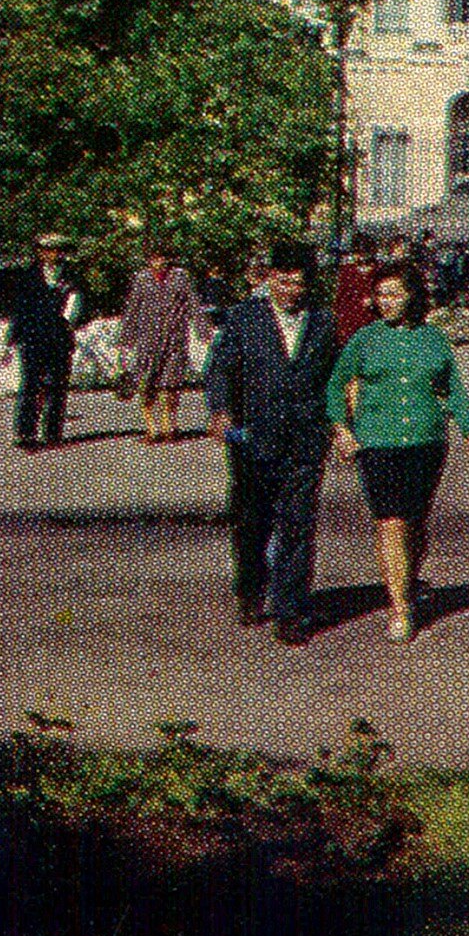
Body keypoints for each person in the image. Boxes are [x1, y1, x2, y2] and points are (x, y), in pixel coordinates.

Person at [327, 269, 469, 642]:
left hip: (426, 441)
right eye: (380, 295)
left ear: (412, 296)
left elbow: (455, 389)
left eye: (394, 294)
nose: (386, 302)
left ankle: (409, 579)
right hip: (378, 444)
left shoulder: (433, 339)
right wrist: (342, 429)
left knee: (416, 522)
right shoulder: (364, 339)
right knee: (390, 521)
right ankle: (400, 607)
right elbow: (335, 387)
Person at [205, 241, 342, 644]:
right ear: (270, 278)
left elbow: (334, 378)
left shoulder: (323, 322)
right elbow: (219, 369)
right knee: (252, 522)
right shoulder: (244, 317)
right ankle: (250, 588)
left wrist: (338, 424)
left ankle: (290, 609)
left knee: (298, 525)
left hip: (304, 440)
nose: (290, 290)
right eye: (283, 280)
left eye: (298, 282)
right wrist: (221, 411)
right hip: (252, 438)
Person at [119, 245, 204, 443]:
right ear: (149, 260)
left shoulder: (181, 277)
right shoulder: (142, 278)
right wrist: (126, 339)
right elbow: (133, 307)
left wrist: (202, 329)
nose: (160, 262)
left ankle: (170, 426)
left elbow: (193, 303)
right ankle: (151, 428)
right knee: (146, 384)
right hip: (147, 340)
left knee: (171, 385)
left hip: (174, 339)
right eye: (155, 258)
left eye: (164, 257)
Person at [6, 238, 84, 450]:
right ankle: (25, 433)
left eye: (57, 250)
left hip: (59, 338)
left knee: (58, 385)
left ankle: (53, 432)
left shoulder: (71, 275)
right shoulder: (28, 276)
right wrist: (12, 339)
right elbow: (19, 310)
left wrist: (69, 323)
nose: (53, 254)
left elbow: (78, 304)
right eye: (48, 250)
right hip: (32, 338)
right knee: (31, 384)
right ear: (40, 252)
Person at [332, 236, 382, 343]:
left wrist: (374, 299)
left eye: (365, 252)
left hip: (373, 320)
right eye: (358, 252)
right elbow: (340, 298)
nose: (361, 256)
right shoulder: (347, 271)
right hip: (349, 321)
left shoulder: (380, 270)